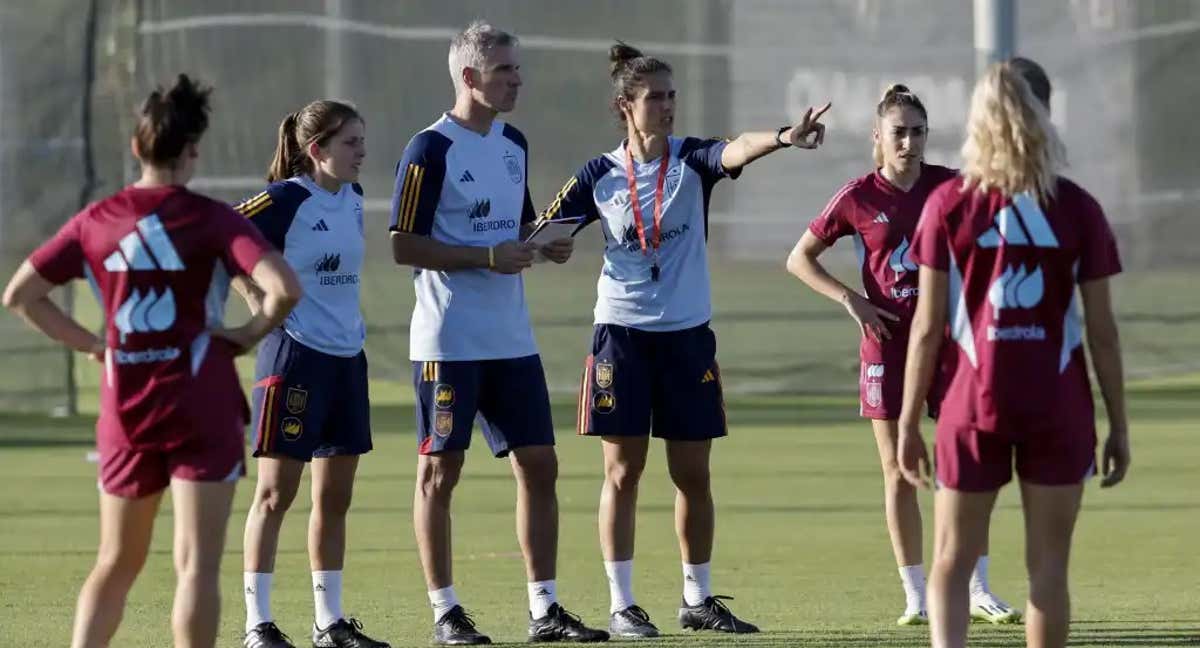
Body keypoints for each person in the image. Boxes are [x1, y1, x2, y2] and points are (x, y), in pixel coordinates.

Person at [538, 41, 829, 637]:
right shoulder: (598, 175)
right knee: (623, 472)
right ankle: (622, 606)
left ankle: (697, 599)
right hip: (621, 336)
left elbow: (737, 148)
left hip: (687, 338)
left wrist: (782, 137)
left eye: (671, 96)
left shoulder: (693, 160)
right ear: (625, 105)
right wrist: (550, 246)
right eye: (655, 98)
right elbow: (543, 234)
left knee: (693, 473)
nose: (667, 107)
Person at [1, 74, 301, 648]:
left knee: (115, 563)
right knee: (196, 567)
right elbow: (283, 287)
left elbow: (21, 295)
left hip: (128, 405)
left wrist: (93, 345)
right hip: (202, 402)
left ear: (137, 148)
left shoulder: (96, 219)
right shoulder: (214, 219)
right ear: (193, 151)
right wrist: (245, 334)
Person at [897, 60, 1131, 648]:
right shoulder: (1077, 207)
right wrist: (1119, 423)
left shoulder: (948, 202)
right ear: (1047, 115)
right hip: (1059, 407)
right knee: (1047, 569)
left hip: (971, 405)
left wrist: (906, 423)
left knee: (951, 559)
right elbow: (1102, 332)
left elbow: (926, 328)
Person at [388, 20, 608, 645]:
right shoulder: (428, 150)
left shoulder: (513, 143)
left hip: (512, 339)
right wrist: (486, 257)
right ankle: (446, 612)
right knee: (440, 473)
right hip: (449, 342)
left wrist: (544, 245)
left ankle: (545, 610)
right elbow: (403, 246)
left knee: (541, 465)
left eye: (517, 68)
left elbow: (514, 228)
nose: (517, 79)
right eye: (505, 69)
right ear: (469, 77)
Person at [785, 84, 1019, 626]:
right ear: (878, 137)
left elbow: (995, 244)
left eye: (918, 132)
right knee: (898, 471)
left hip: (950, 347)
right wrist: (853, 301)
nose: (909, 142)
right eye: (899, 132)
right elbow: (800, 259)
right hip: (887, 349)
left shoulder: (952, 187)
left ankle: (977, 585)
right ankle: (915, 594)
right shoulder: (857, 197)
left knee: (969, 466)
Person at [232, 100, 388, 648]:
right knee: (276, 495)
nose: (361, 152)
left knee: (335, 498)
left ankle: (330, 622)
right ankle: (258, 625)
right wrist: (261, 304)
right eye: (351, 143)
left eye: (363, 142)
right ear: (317, 149)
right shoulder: (283, 199)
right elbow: (224, 240)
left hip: (347, 360)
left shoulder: (353, 197)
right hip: (293, 357)